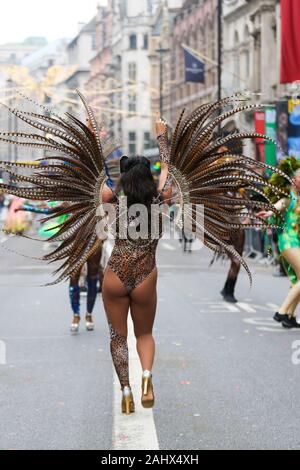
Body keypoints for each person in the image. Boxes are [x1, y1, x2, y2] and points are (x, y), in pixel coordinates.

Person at [0, 90, 288, 414]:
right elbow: (166, 167)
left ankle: (125, 391)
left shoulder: (111, 199)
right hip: (145, 275)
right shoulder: (161, 199)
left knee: (117, 337)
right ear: (147, 179)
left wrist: (94, 141)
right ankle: (147, 376)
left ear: (124, 179)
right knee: (145, 333)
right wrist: (162, 137)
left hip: (116, 273)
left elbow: (90, 177)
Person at [257, 162, 300, 328]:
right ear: (293, 180)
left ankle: (289, 316)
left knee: (297, 281)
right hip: (288, 242)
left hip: (297, 242)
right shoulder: (287, 198)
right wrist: (269, 212)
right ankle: (281, 312)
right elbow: (278, 207)